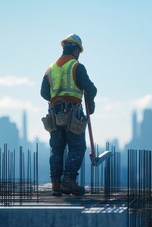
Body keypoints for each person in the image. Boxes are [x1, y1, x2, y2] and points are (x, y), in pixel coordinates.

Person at [40, 34, 97, 196]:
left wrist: (57, 98)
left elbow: (44, 92)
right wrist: (90, 107)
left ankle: (56, 184)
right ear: (77, 50)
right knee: (77, 147)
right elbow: (91, 89)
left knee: (57, 149)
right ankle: (69, 180)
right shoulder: (76, 66)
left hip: (55, 113)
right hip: (73, 112)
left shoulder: (50, 69)